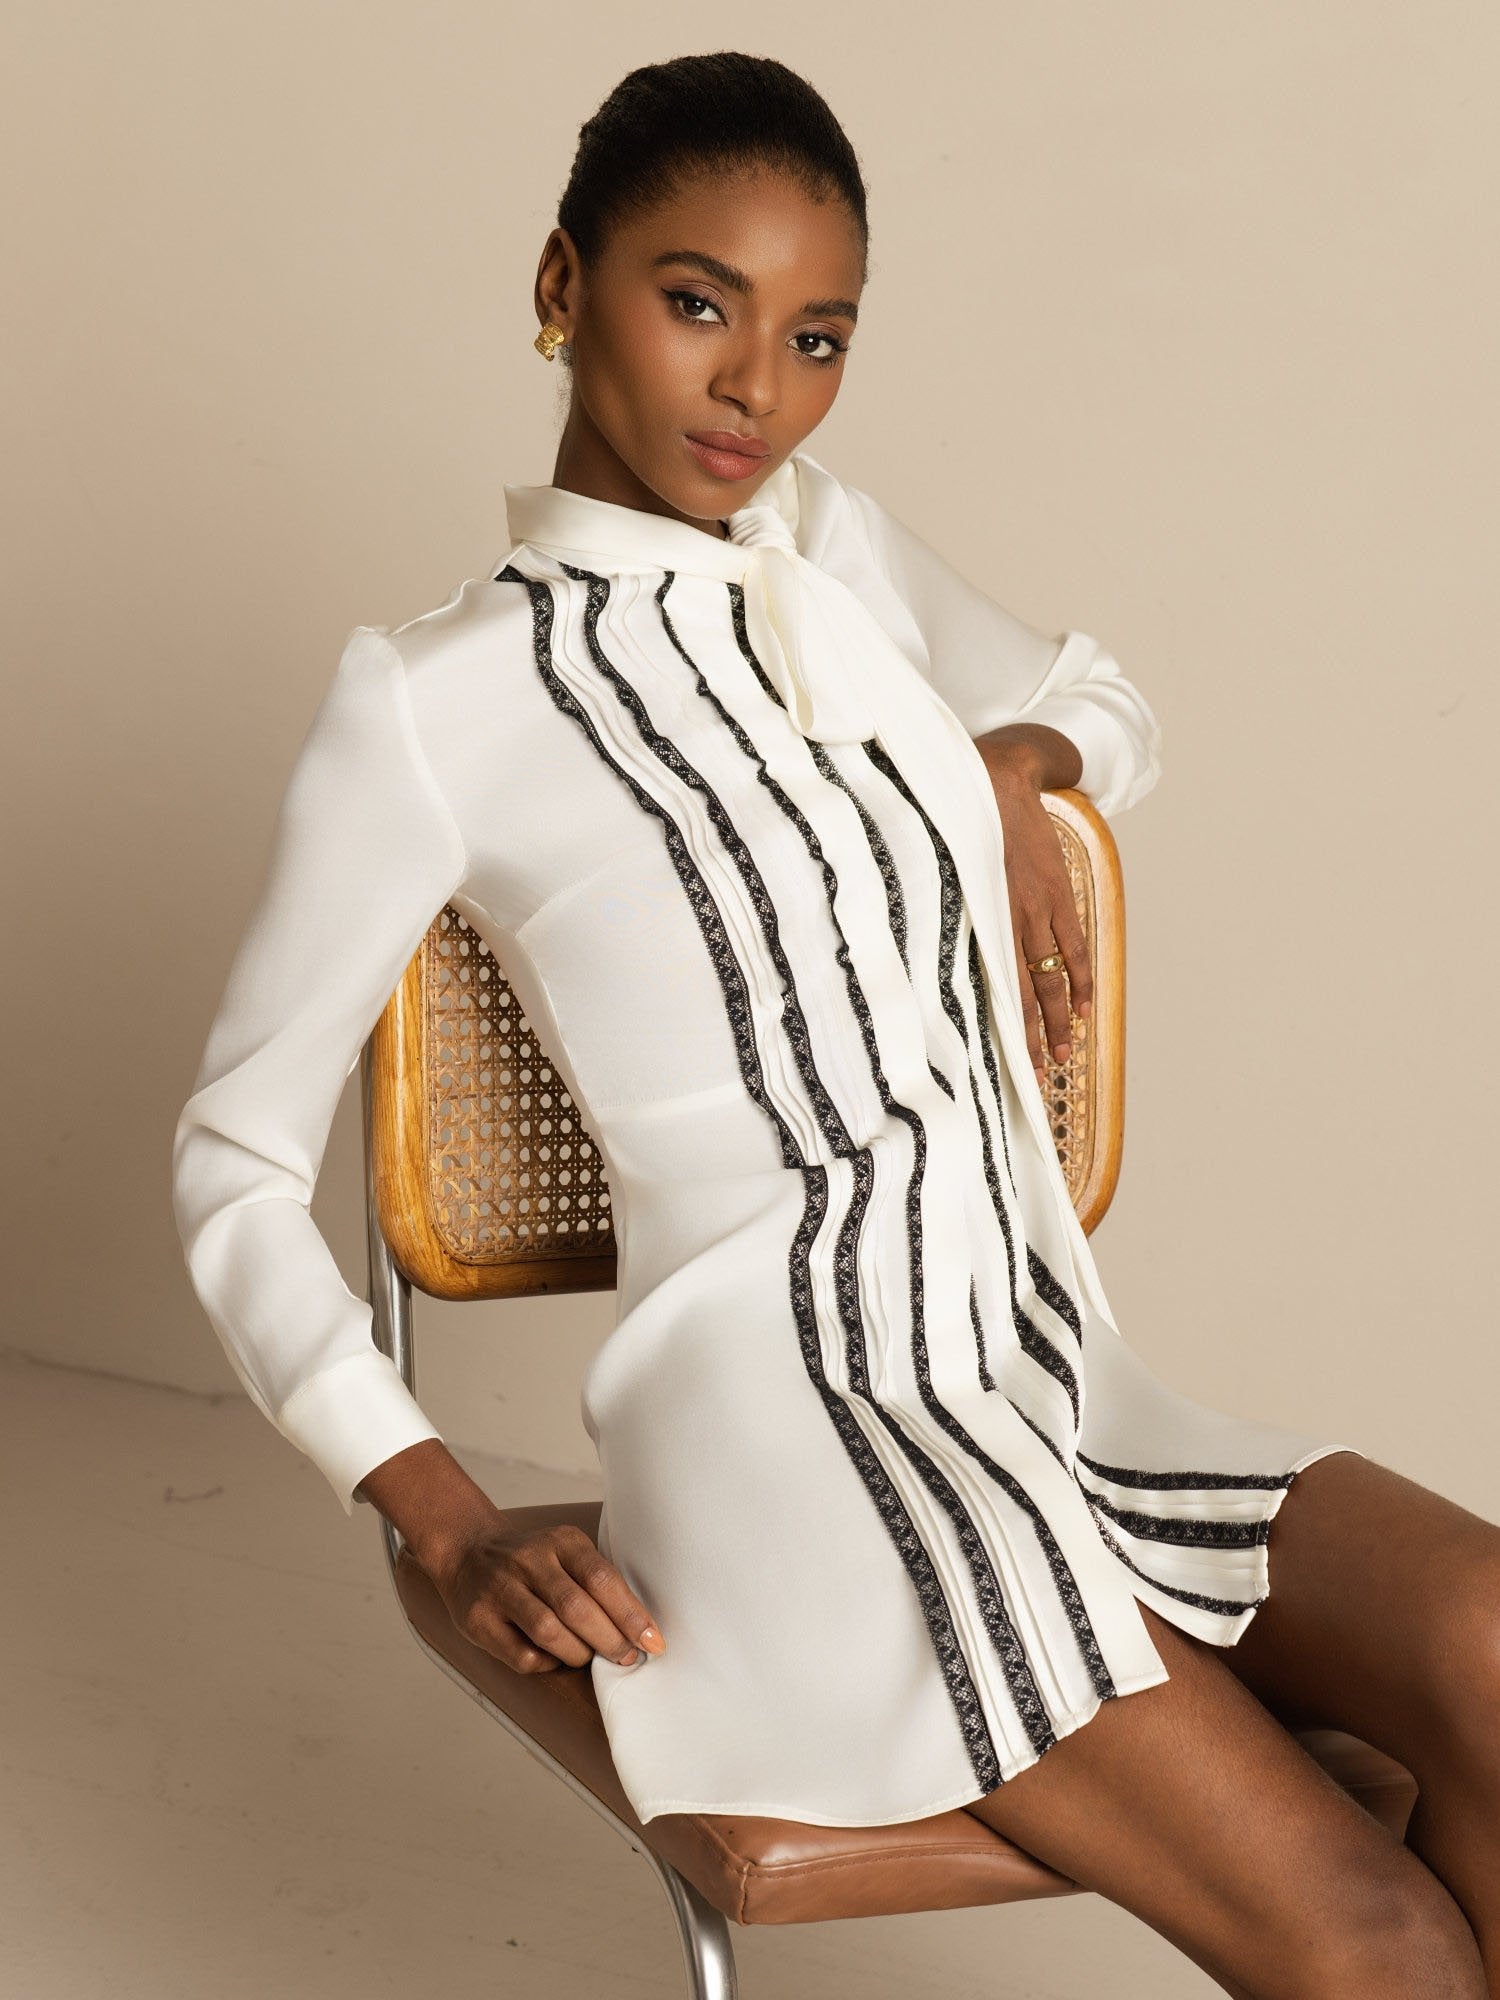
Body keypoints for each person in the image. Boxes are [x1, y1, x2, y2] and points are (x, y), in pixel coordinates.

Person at [170, 51, 1499, 1999]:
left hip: (1040, 1378)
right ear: (563, 284)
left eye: (816, 338)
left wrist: (1012, 771)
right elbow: (230, 1164)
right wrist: (439, 1517)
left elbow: (1109, 699)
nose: (755, 390)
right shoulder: (433, 699)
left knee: (1487, 1647)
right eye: (696, 302)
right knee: (1371, 1935)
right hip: (799, 1442)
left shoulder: (827, 557)